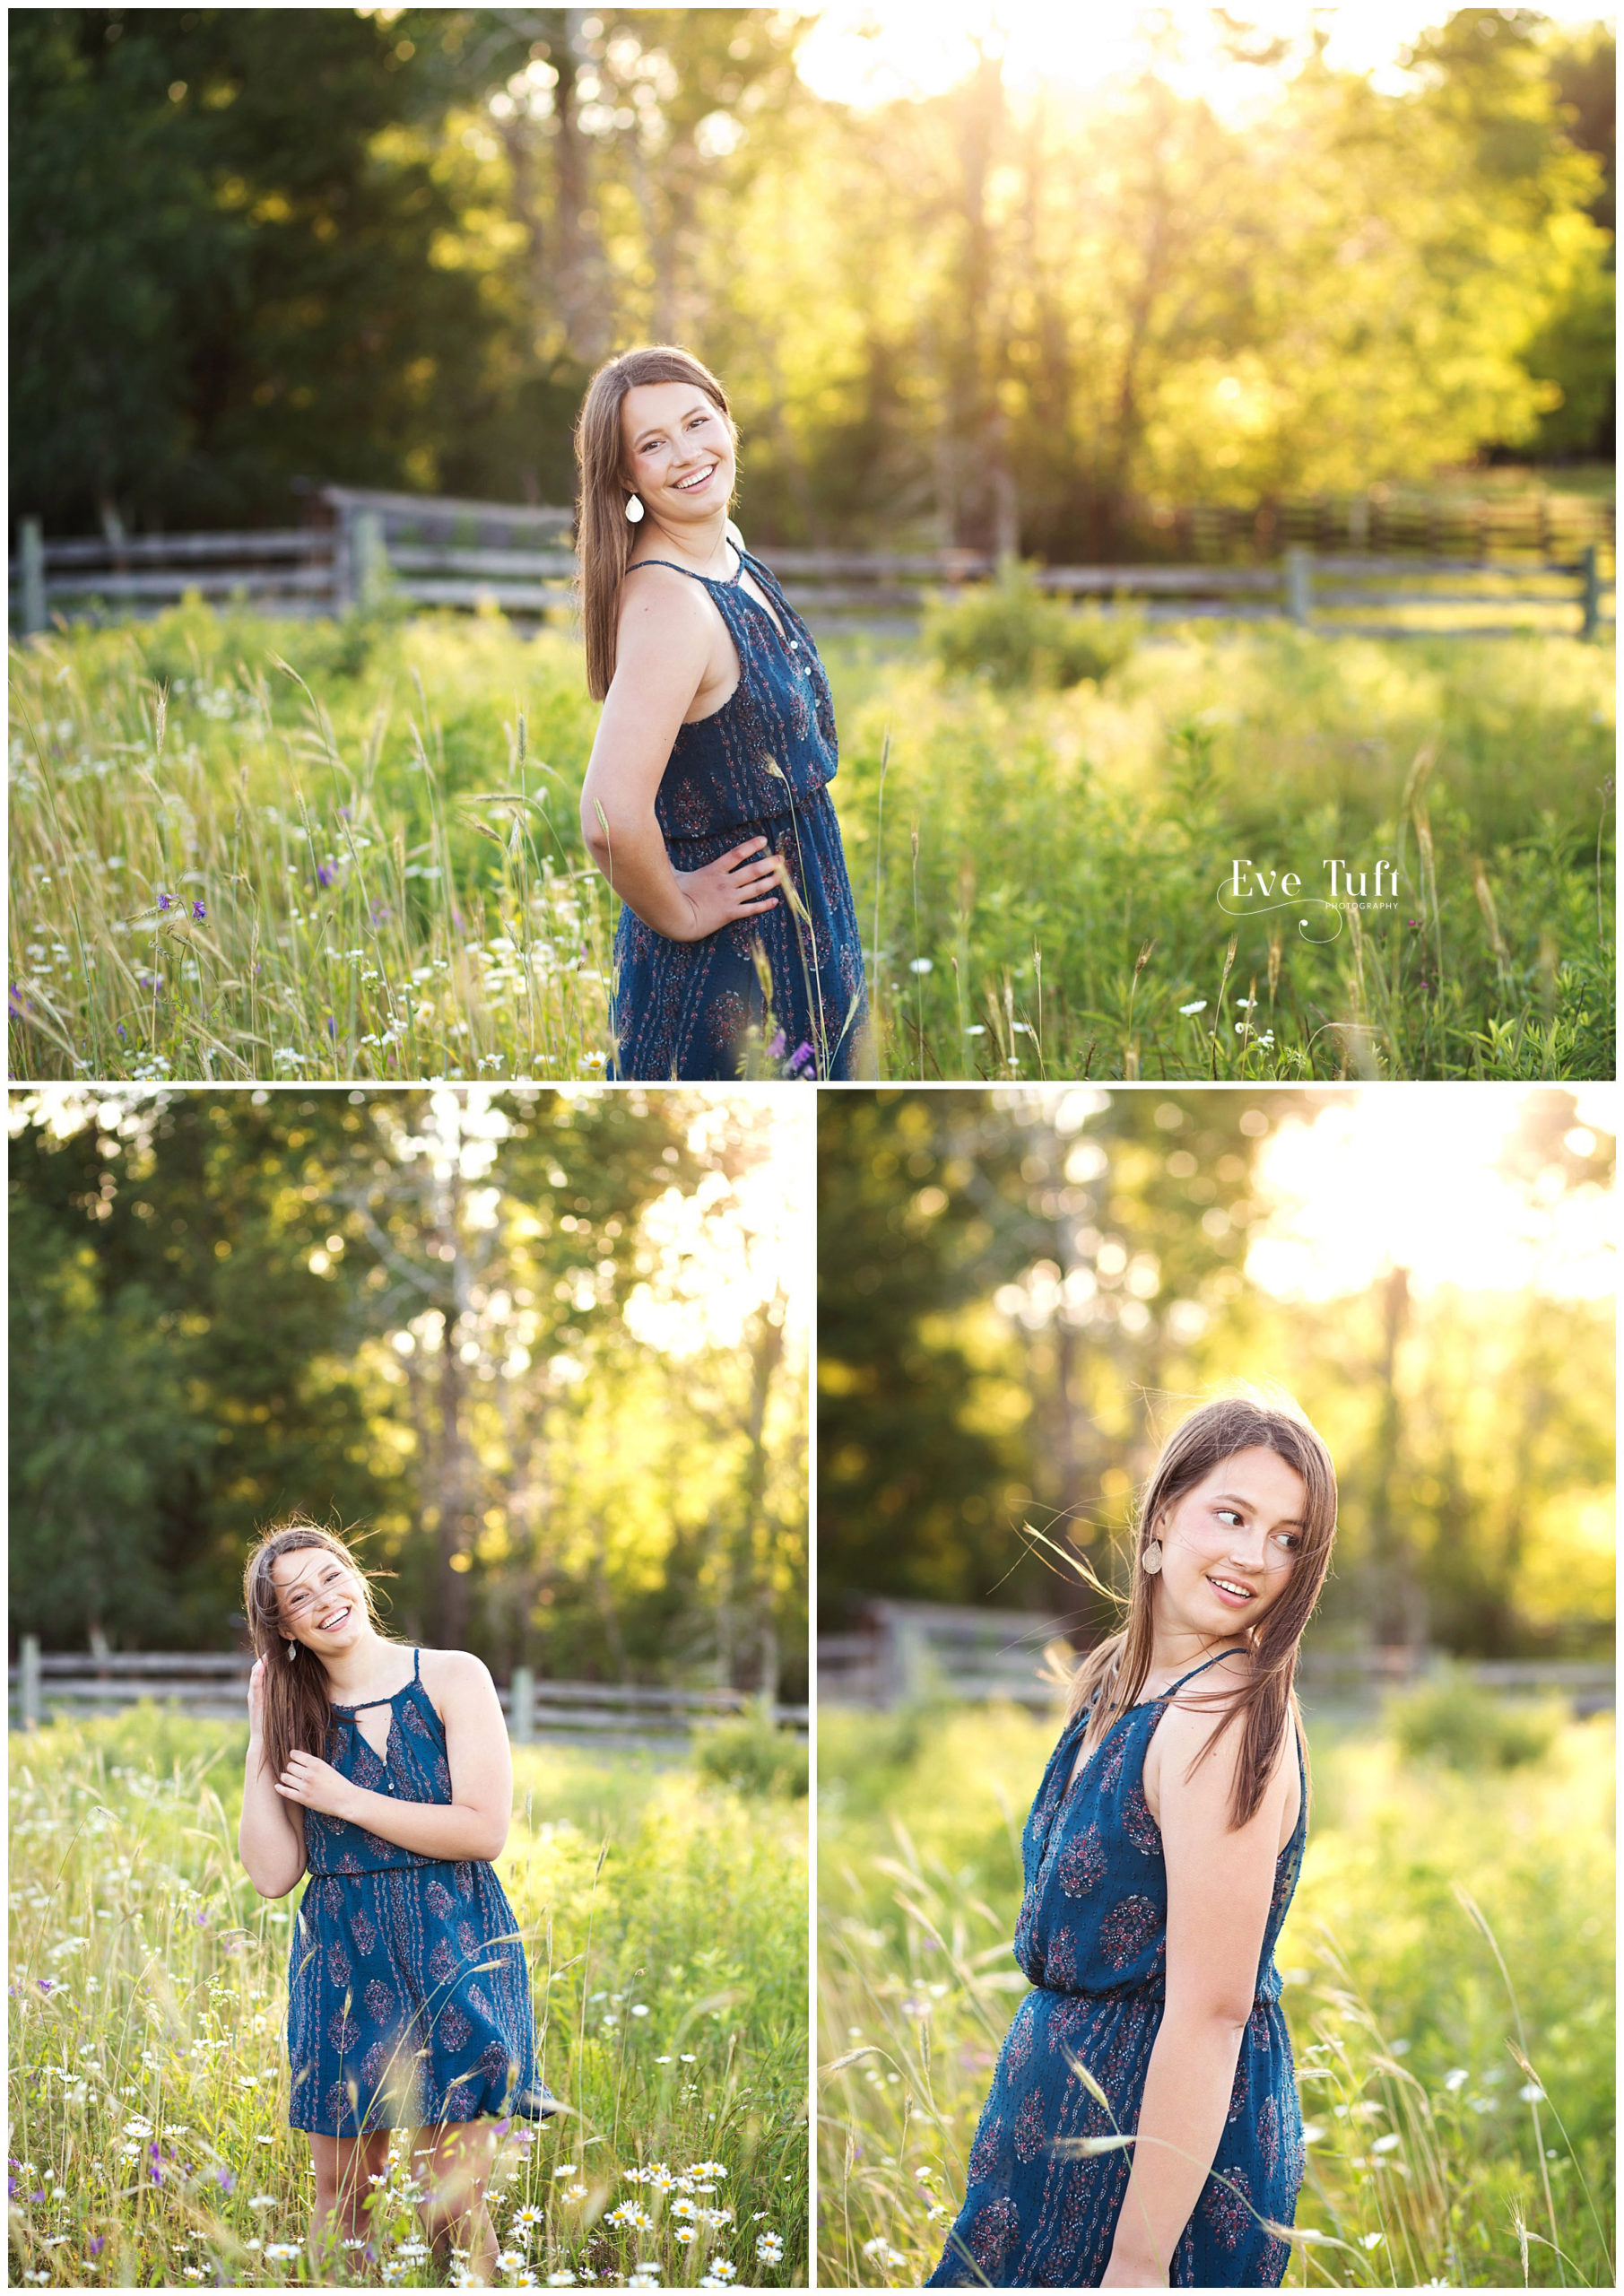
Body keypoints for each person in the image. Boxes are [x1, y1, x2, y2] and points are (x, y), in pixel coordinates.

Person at [925, 1393, 1338, 2289]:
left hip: (1150, 2167)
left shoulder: (1219, 1717)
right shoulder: (1114, 1680)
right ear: (1159, 1521)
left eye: (1286, 1537)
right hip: (1052, 2140)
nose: (1252, 1556)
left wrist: (1139, 2260)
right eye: (1229, 1515)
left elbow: (1211, 2010)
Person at [237, 1521, 554, 2283]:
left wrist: (346, 1800)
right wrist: (261, 1730)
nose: (324, 1599)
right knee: (342, 2197)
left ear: (358, 1576)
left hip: (457, 1945)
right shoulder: (291, 1709)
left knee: (447, 2201)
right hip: (341, 1962)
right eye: (297, 1597)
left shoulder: (452, 1676)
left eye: (330, 1575)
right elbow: (273, 1873)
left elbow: (482, 1831)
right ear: (281, 1625)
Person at [575, 344, 869, 1081]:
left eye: (696, 422)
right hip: (731, 963)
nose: (686, 454)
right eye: (652, 444)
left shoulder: (723, 554)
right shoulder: (671, 602)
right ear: (625, 476)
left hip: (799, 924)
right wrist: (683, 910)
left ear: (727, 423)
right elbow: (608, 815)